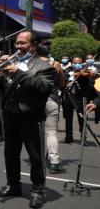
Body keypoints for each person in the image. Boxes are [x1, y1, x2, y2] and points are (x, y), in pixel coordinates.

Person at [0, 30, 55, 209]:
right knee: (10, 154)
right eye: (17, 43)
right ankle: (13, 185)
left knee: (36, 156)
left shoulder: (44, 66)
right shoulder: (11, 62)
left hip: (31, 117)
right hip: (10, 116)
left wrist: (17, 72)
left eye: (23, 43)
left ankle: (38, 190)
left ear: (33, 46)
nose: (18, 47)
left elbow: (42, 88)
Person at [36, 42, 66, 174]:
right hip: (51, 99)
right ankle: (54, 162)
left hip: (34, 100)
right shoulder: (56, 64)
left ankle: (36, 158)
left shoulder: (31, 64)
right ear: (48, 53)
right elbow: (62, 82)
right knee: (51, 132)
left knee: (36, 130)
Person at [62, 56, 93, 143]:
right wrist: (71, 74)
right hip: (68, 97)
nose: (77, 64)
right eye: (75, 63)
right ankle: (68, 137)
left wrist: (82, 73)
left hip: (80, 97)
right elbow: (63, 76)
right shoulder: (68, 69)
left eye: (79, 63)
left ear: (82, 63)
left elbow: (88, 74)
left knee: (82, 118)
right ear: (72, 62)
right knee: (68, 118)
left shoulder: (85, 70)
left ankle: (83, 138)